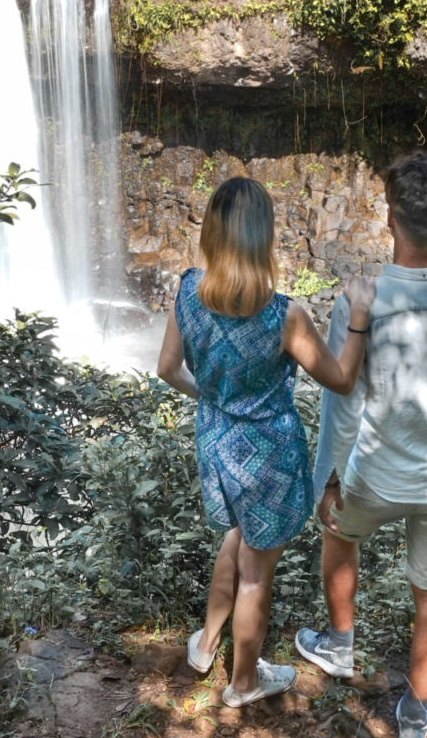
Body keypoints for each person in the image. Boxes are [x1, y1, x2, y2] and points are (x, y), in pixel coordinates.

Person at [296, 151, 427, 738]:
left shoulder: (362, 298)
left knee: (340, 533)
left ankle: (339, 641)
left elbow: (343, 404)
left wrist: (326, 481)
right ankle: (415, 716)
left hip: (375, 474)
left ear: (390, 218)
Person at [157, 176, 377, 708]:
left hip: (216, 442)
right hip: (270, 456)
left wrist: (210, 396)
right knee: (257, 574)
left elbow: (166, 368)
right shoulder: (284, 315)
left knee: (236, 540)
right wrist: (361, 319)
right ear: (265, 238)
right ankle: (244, 683)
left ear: (211, 233)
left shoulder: (189, 289)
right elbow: (344, 379)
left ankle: (205, 646)